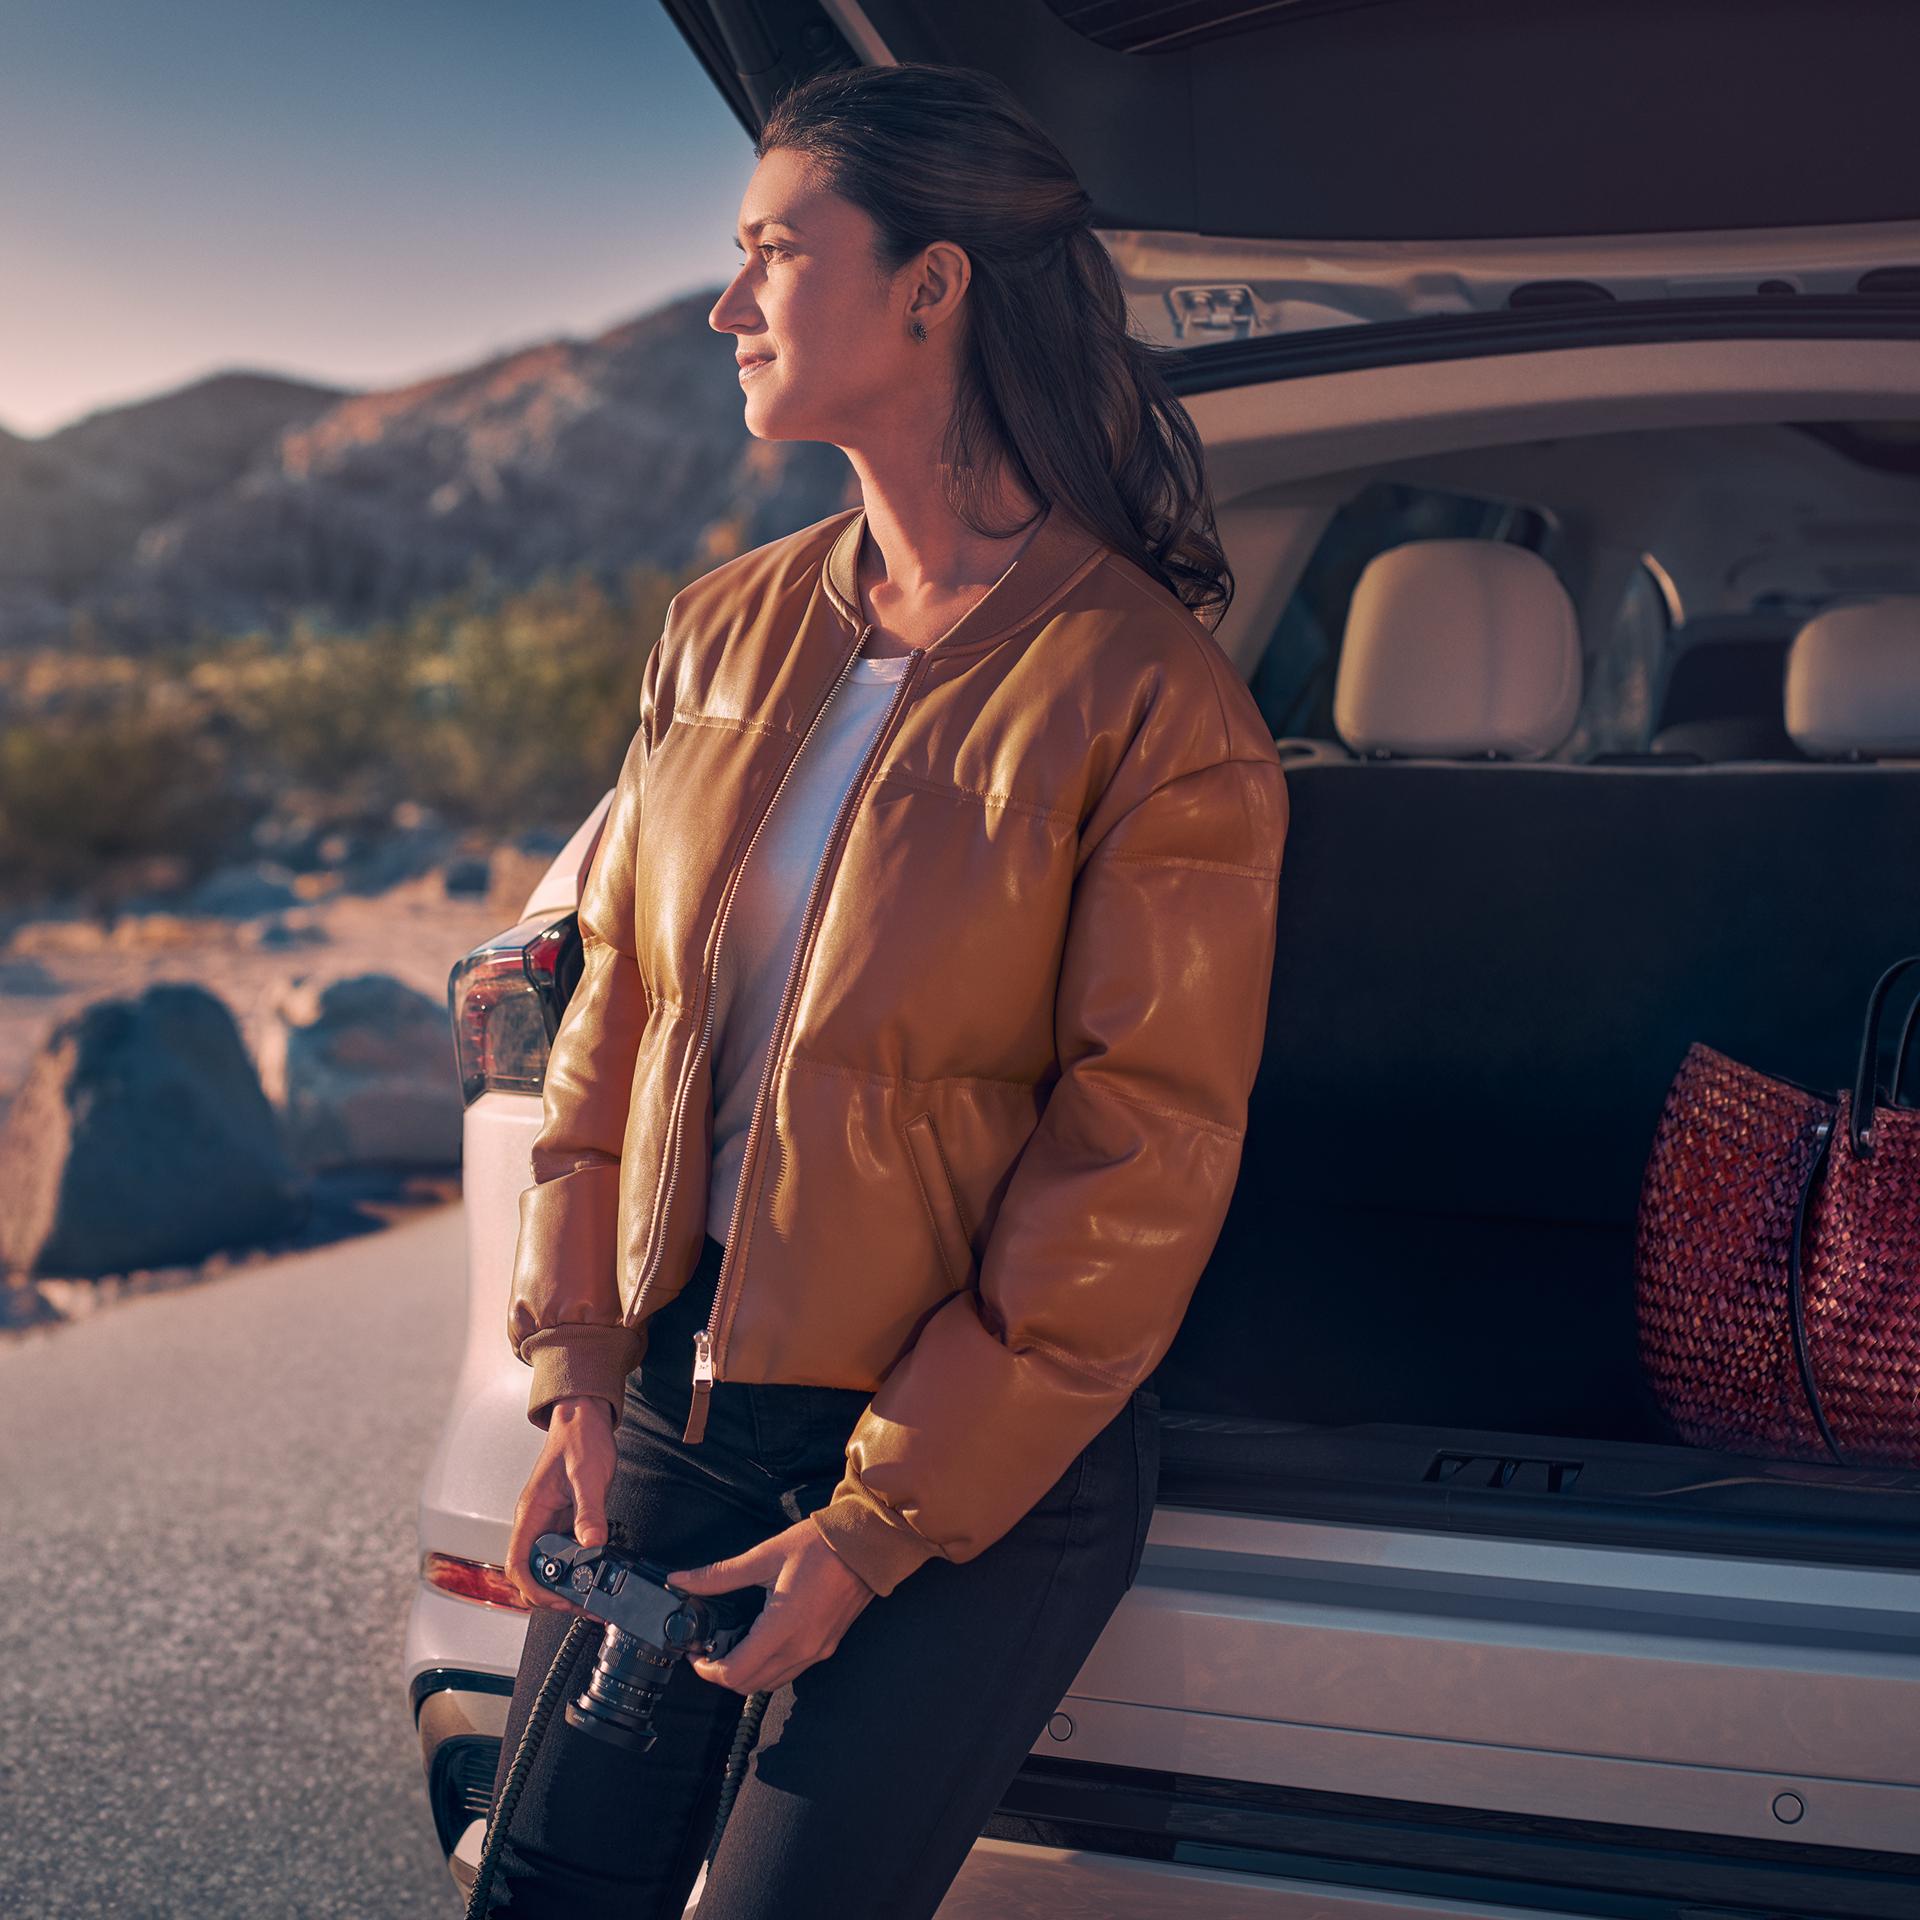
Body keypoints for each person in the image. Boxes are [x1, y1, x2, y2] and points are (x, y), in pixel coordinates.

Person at [481, 59, 1288, 1920]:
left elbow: (1137, 1151)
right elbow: (617, 1026)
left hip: (968, 1467)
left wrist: (873, 1528)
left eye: (774, 252)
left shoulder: (1149, 695)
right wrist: (580, 1366)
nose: (725, 305)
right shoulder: (719, 628)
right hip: (681, 1404)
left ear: (932, 287)